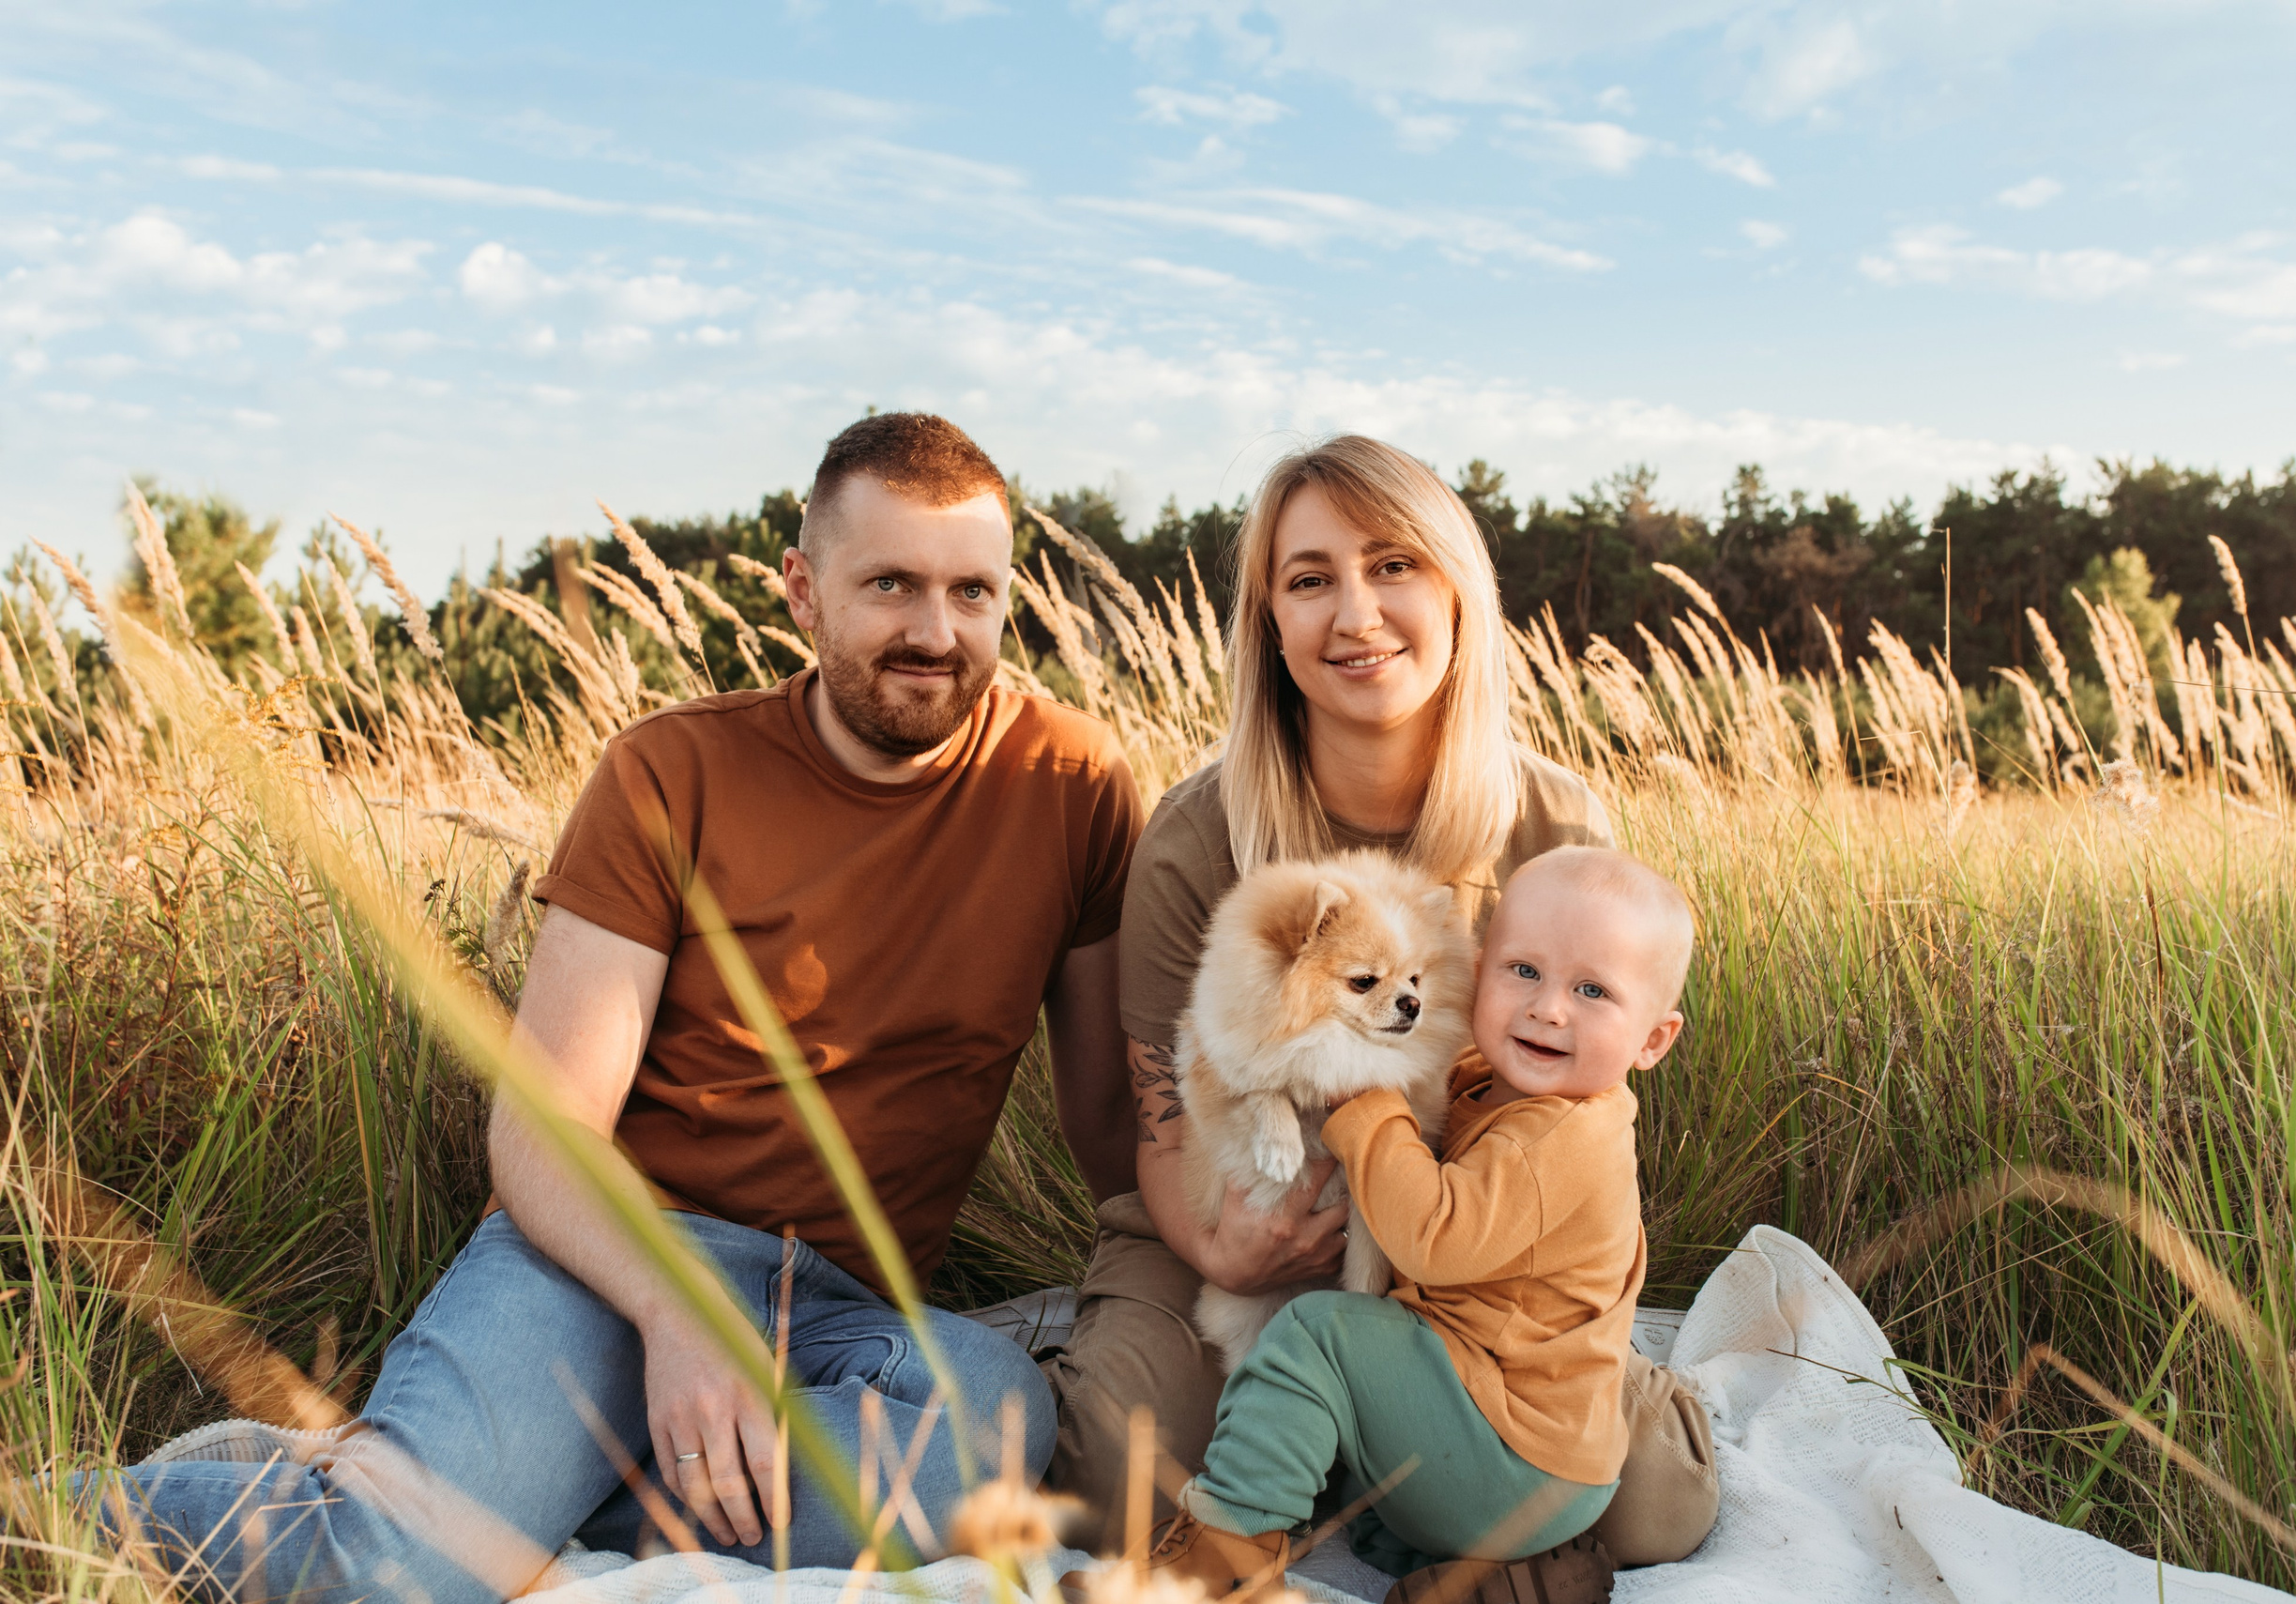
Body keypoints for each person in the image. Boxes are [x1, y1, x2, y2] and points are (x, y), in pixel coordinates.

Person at [107, 413, 1145, 1604]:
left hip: (844, 1313)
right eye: (892, 584)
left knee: (992, 1446)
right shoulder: (672, 774)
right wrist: (677, 1315)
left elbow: (1109, 1114)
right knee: (385, 1571)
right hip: (608, 1261)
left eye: (973, 590)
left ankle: (479, 1488)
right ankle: (71, 1509)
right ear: (802, 593)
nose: (936, 630)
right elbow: (544, 1127)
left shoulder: (1068, 785)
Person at [1043, 435, 1718, 1569]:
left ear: (1457, 588)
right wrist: (1233, 1244)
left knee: (1655, 1501)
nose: (1355, 611)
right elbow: (1161, 1119)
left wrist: (1489, 1273)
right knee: (1123, 1479)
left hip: (1475, 1237)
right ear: (1269, 619)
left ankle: (1443, 1470)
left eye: (1393, 564)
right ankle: (1367, 1477)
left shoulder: (1551, 824)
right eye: (1310, 579)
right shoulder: (1198, 839)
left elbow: (1575, 1113)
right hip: (1230, 1218)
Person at [1121, 846, 1691, 1604]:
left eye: (1591, 990)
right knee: (1370, 1445)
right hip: (1510, 1441)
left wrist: (1367, 1098)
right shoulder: (1495, 1086)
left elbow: (1429, 1235)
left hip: (1512, 1456)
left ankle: (1223, 1555)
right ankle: (1495, 1577)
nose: (1548, 1006)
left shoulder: (1561, 1141)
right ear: (1480, 969)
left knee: (1318, 1334)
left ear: (1653, 1039)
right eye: (1523, 971)